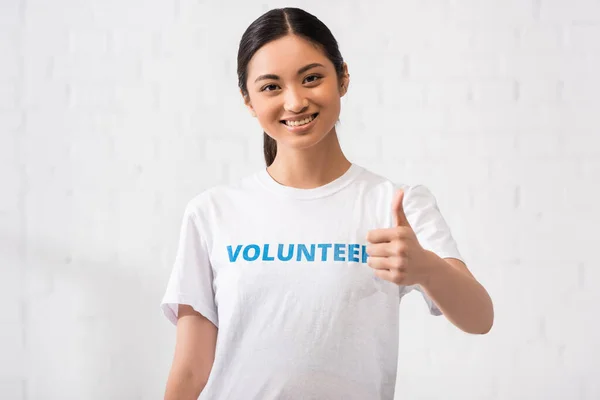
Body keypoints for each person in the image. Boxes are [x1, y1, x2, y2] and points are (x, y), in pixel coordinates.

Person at [160, 7, 494, 400]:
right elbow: (191, 368)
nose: (296, 101)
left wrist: (427, 268)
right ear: (248, 100)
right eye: (271, 87)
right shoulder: (212, 213)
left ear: (343, 78)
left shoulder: (394, 204)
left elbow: (480, 318)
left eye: (312, 78)